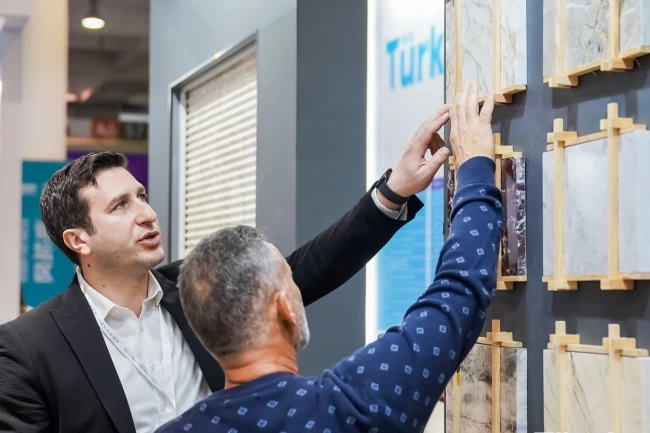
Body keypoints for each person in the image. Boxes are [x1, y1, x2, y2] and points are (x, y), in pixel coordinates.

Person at [0, 98, 447, 433]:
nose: (147, 214)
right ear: (78, 240)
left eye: (142, 197)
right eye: (120, 206)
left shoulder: (196, 288)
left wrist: (394, 192)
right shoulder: (27, 348)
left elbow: (310, 267)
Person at [155, 81, 501, 433]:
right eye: (289, 277)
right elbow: (459, 292)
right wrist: (474, 168)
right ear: (284, 307)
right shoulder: (350, 407)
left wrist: (392, 192)